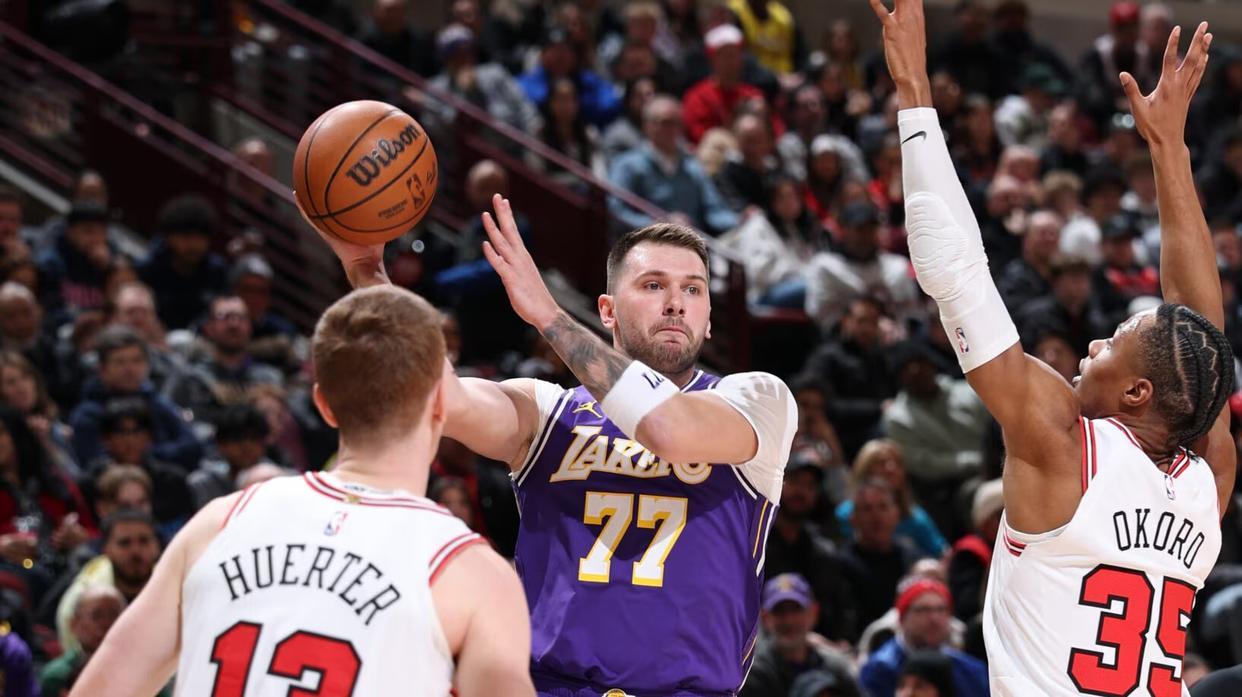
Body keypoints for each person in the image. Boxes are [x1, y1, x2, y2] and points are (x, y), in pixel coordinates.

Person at [870, 2, 1232, 695]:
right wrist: (1170, 149)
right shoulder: (1206, 478)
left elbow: (953, 271)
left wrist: (913, 87)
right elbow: (1200, 334)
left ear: (1138, 392)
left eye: (1112, 343)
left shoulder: (1065, 446)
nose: (1094, 343)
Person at [306, 193, 796, 695]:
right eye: (653, 285)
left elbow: (668, 429)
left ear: (709, 317)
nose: (676, 303)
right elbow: (437, 394)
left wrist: (549, 316)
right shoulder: (547, 412)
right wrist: (368, 273)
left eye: (693, 289)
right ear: (607, 311)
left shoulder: (758, 399)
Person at [71, 286, 534, 696]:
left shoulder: (221, 521)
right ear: (442, 404)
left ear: (323, 405)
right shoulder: (474, 574)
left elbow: (104, 686)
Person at [859, 577, 989, 697]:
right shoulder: (880, 668)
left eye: (941, 609)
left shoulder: (971, 671)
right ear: (902, 618)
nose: (934, 618)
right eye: (923, 610)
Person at [740, 573, 860, 697]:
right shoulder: (754, 674)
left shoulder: (836, 669)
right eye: (779, 611)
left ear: (814, 612)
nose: (789, 621)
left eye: (796, 609)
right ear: (765, 618)